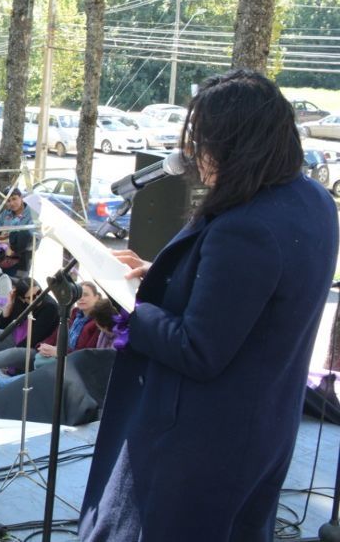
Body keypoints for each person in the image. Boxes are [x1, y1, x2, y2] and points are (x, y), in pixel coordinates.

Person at [80, 70, 339, 541]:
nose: (195, 156)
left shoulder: (247, 227)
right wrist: (164, 272)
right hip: (264, 425)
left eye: (203, 142)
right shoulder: (313, 201)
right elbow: (254, 299)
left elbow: (198, 348)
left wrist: (129, 304)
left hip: (203, 441)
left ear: (237, 145)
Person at [0, 187, 36, 277]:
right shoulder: (6, 213)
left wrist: (12, 243)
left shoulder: (31, 215)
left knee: (16, 287)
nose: (11, 203)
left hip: (22, 260)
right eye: (8, 201)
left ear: (21, 197)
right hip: (1, 258)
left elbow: (34, 239)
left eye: (14, 199)